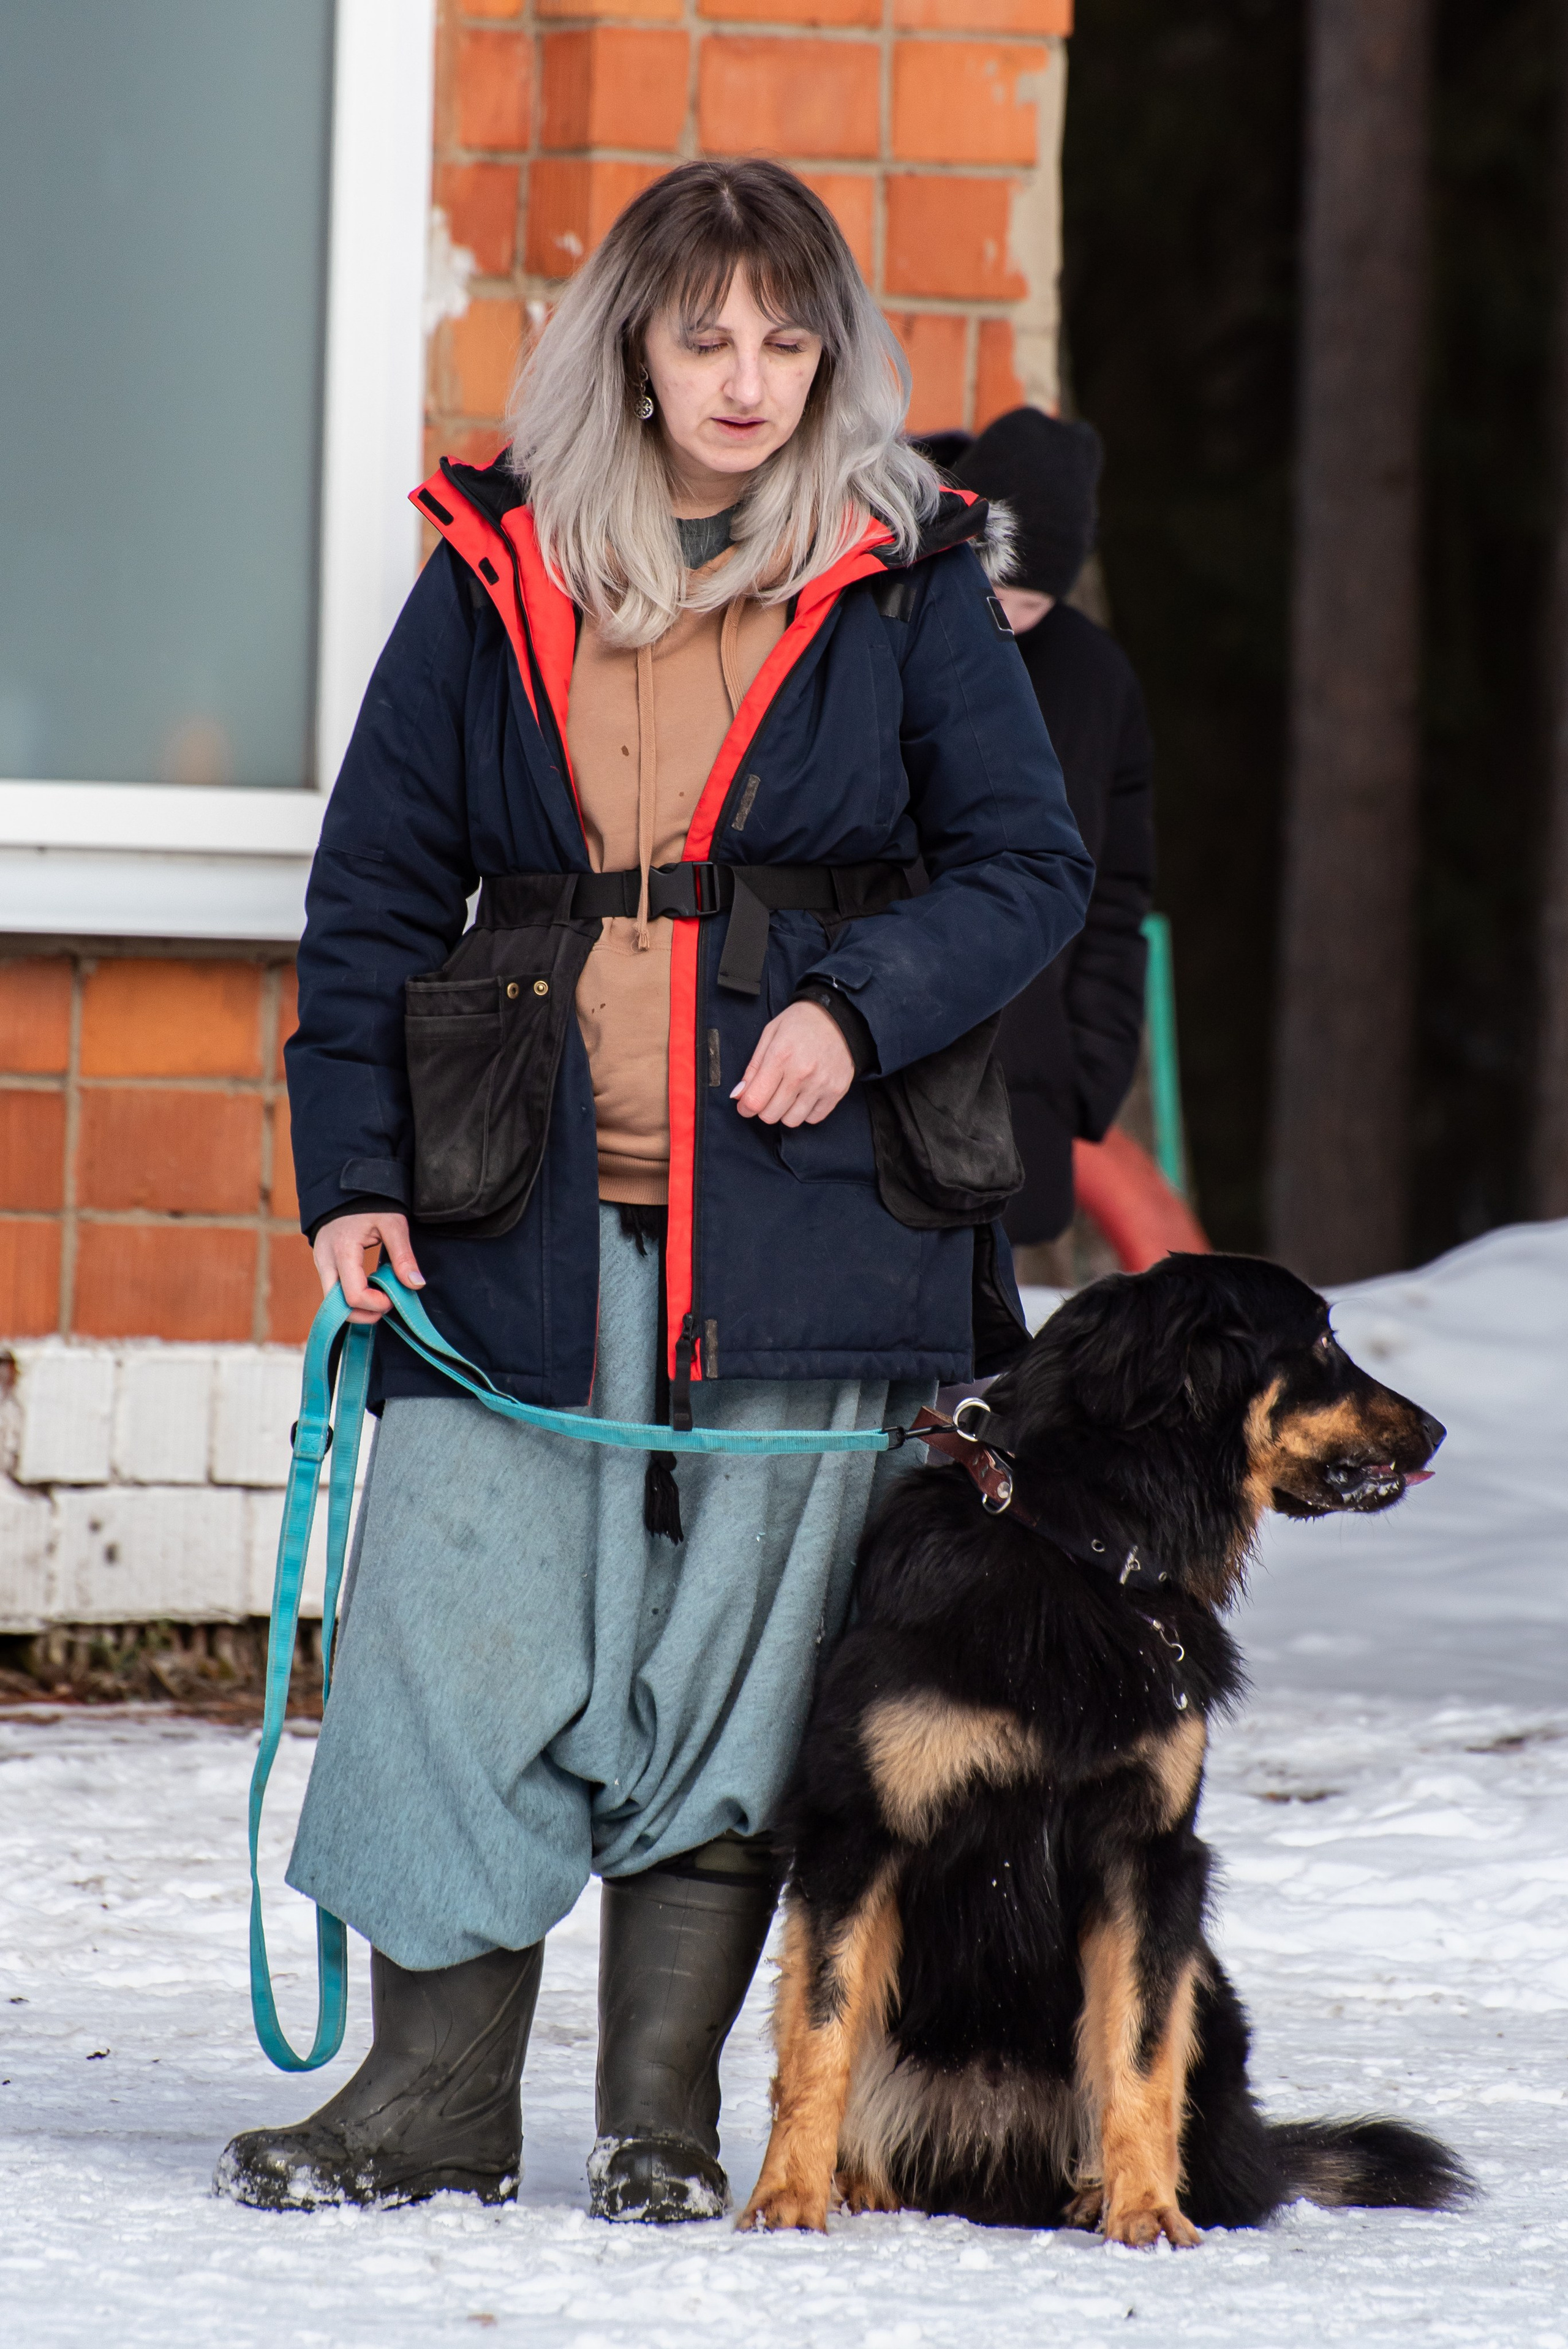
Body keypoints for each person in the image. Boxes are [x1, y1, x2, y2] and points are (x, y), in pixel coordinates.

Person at [215, 162, 1091, 2225]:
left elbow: (1027, 866)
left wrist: (860, 1012)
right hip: (507, 1206)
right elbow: (367, 906)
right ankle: (425, 2100)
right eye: (707, 335)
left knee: (728, 1665)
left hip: (808, 1232)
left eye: (789, 341)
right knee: (446, 1625)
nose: (749, 379)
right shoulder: (493, 561)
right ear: (629, 338)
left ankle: (662, 2119)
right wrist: (351, 1175)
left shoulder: (905, 568)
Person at [949, 408, 1155, 1280]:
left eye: (1036, 602)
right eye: (1001, 593)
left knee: (993, 1360)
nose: (1015, 619)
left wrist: (1089, 1070)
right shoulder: (896, 629)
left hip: (1024, 1087)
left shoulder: (1095, 678)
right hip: (884, 1066)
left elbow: (1119, 890)